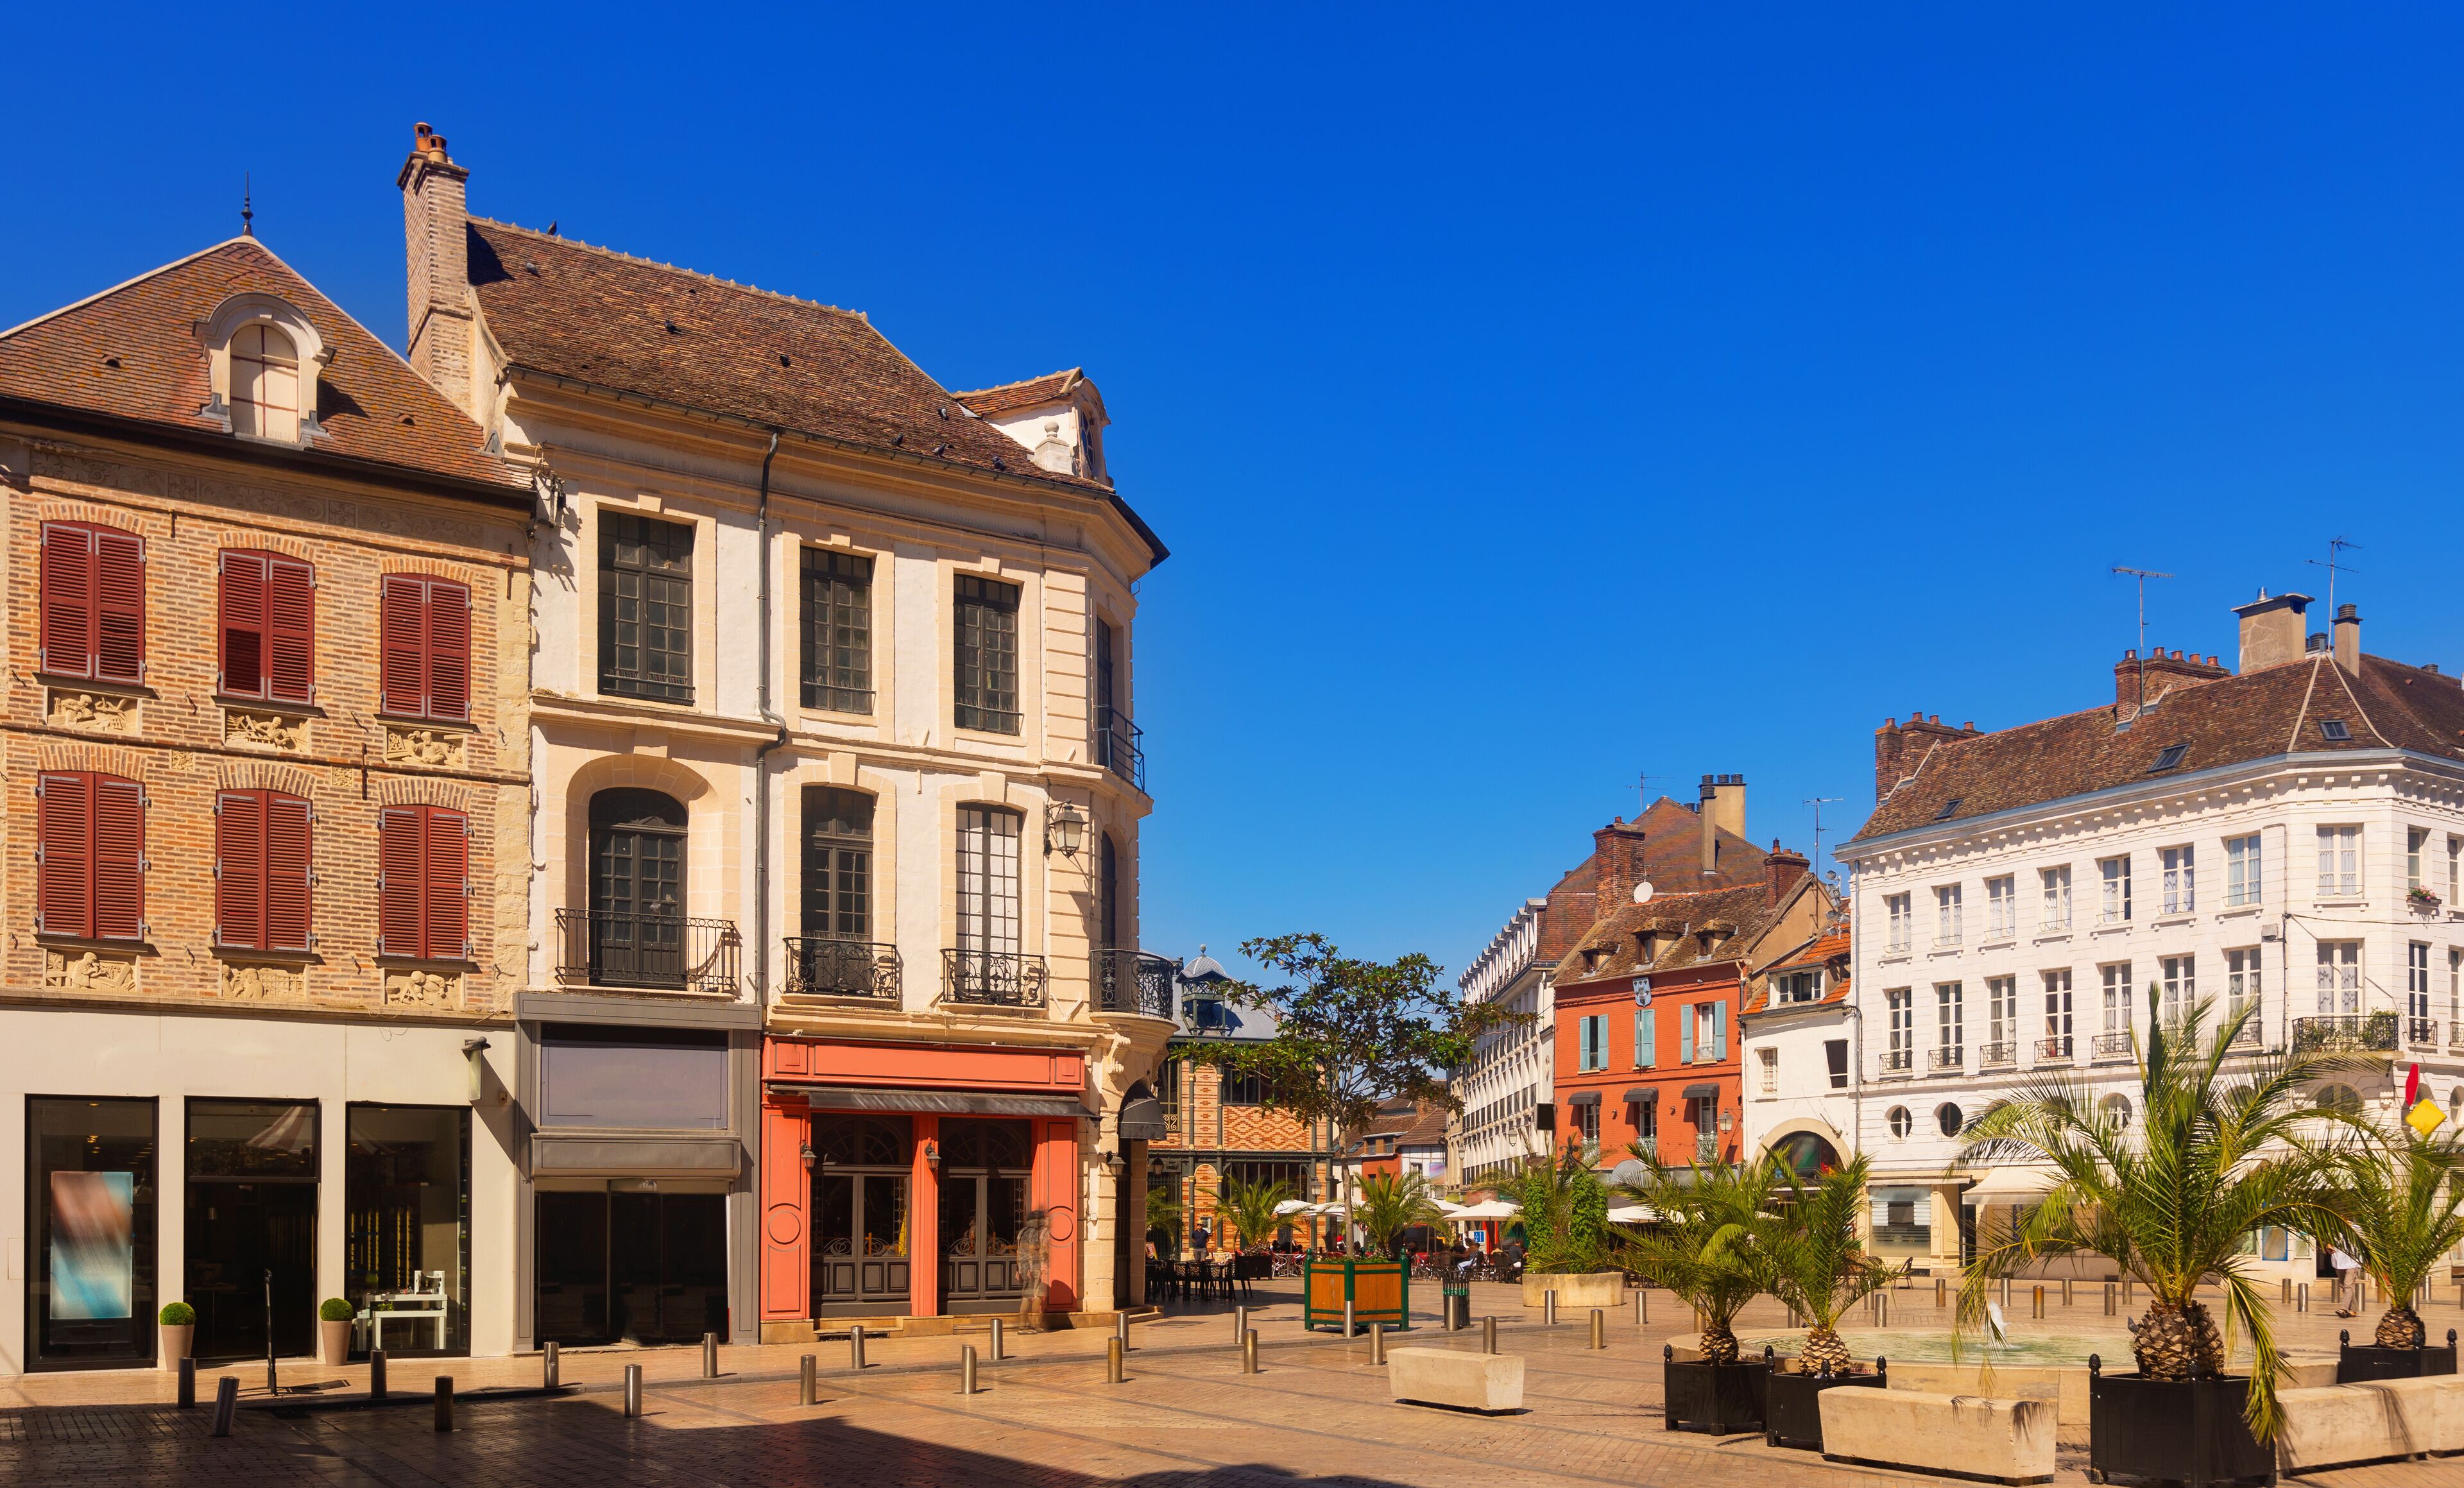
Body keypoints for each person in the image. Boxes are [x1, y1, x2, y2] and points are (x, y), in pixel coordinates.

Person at [2330, 1245, 2363, 1318]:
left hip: (2352, 1263)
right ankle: (2353, 1310)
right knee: (2344, 1287)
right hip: (2338, 1262)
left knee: (2348, 1286)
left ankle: (2344, 1308)